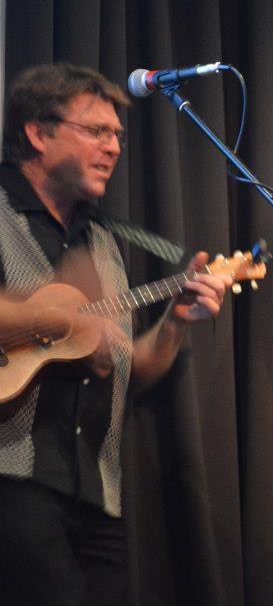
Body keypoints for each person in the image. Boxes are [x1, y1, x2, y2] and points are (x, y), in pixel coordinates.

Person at [0, 63, 232, 606]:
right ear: (37, 133)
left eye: (118, 136)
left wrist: (174, 323)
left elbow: (131, 372)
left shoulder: (102, 243)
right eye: (96, 131)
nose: (112, 148)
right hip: (11, 479)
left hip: (96, 492)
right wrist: (54, 317)